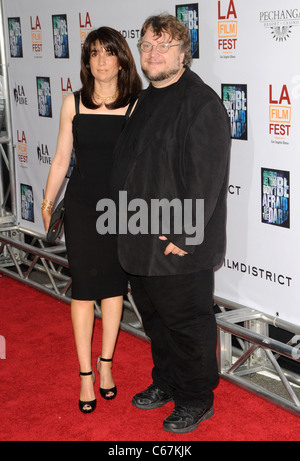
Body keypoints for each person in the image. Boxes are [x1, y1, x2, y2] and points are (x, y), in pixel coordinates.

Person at [111, 14, 231, 433]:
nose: (153, 53)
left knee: (188, 325)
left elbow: (207, 175)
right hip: (139, 239)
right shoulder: (144, 99)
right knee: (156, 321)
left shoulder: (201, 102)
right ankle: (166, 381)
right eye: (146, 45)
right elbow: (131, 166)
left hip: (177, 244)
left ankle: (197, 398)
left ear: (184, 54)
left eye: (163, 46)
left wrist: (185, 234)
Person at [42, 27, 142, 414]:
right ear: (86, 61)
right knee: (83, 289)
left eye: (108, 53)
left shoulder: (136, 105)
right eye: (94, 53)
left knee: (114, 289)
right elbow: (61, 158)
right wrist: (48, 200)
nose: (101, 61)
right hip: (83, 207)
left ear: (121, 59)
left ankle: (106, 367)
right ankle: (85, 374)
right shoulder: (73, 103)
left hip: (119, 210)